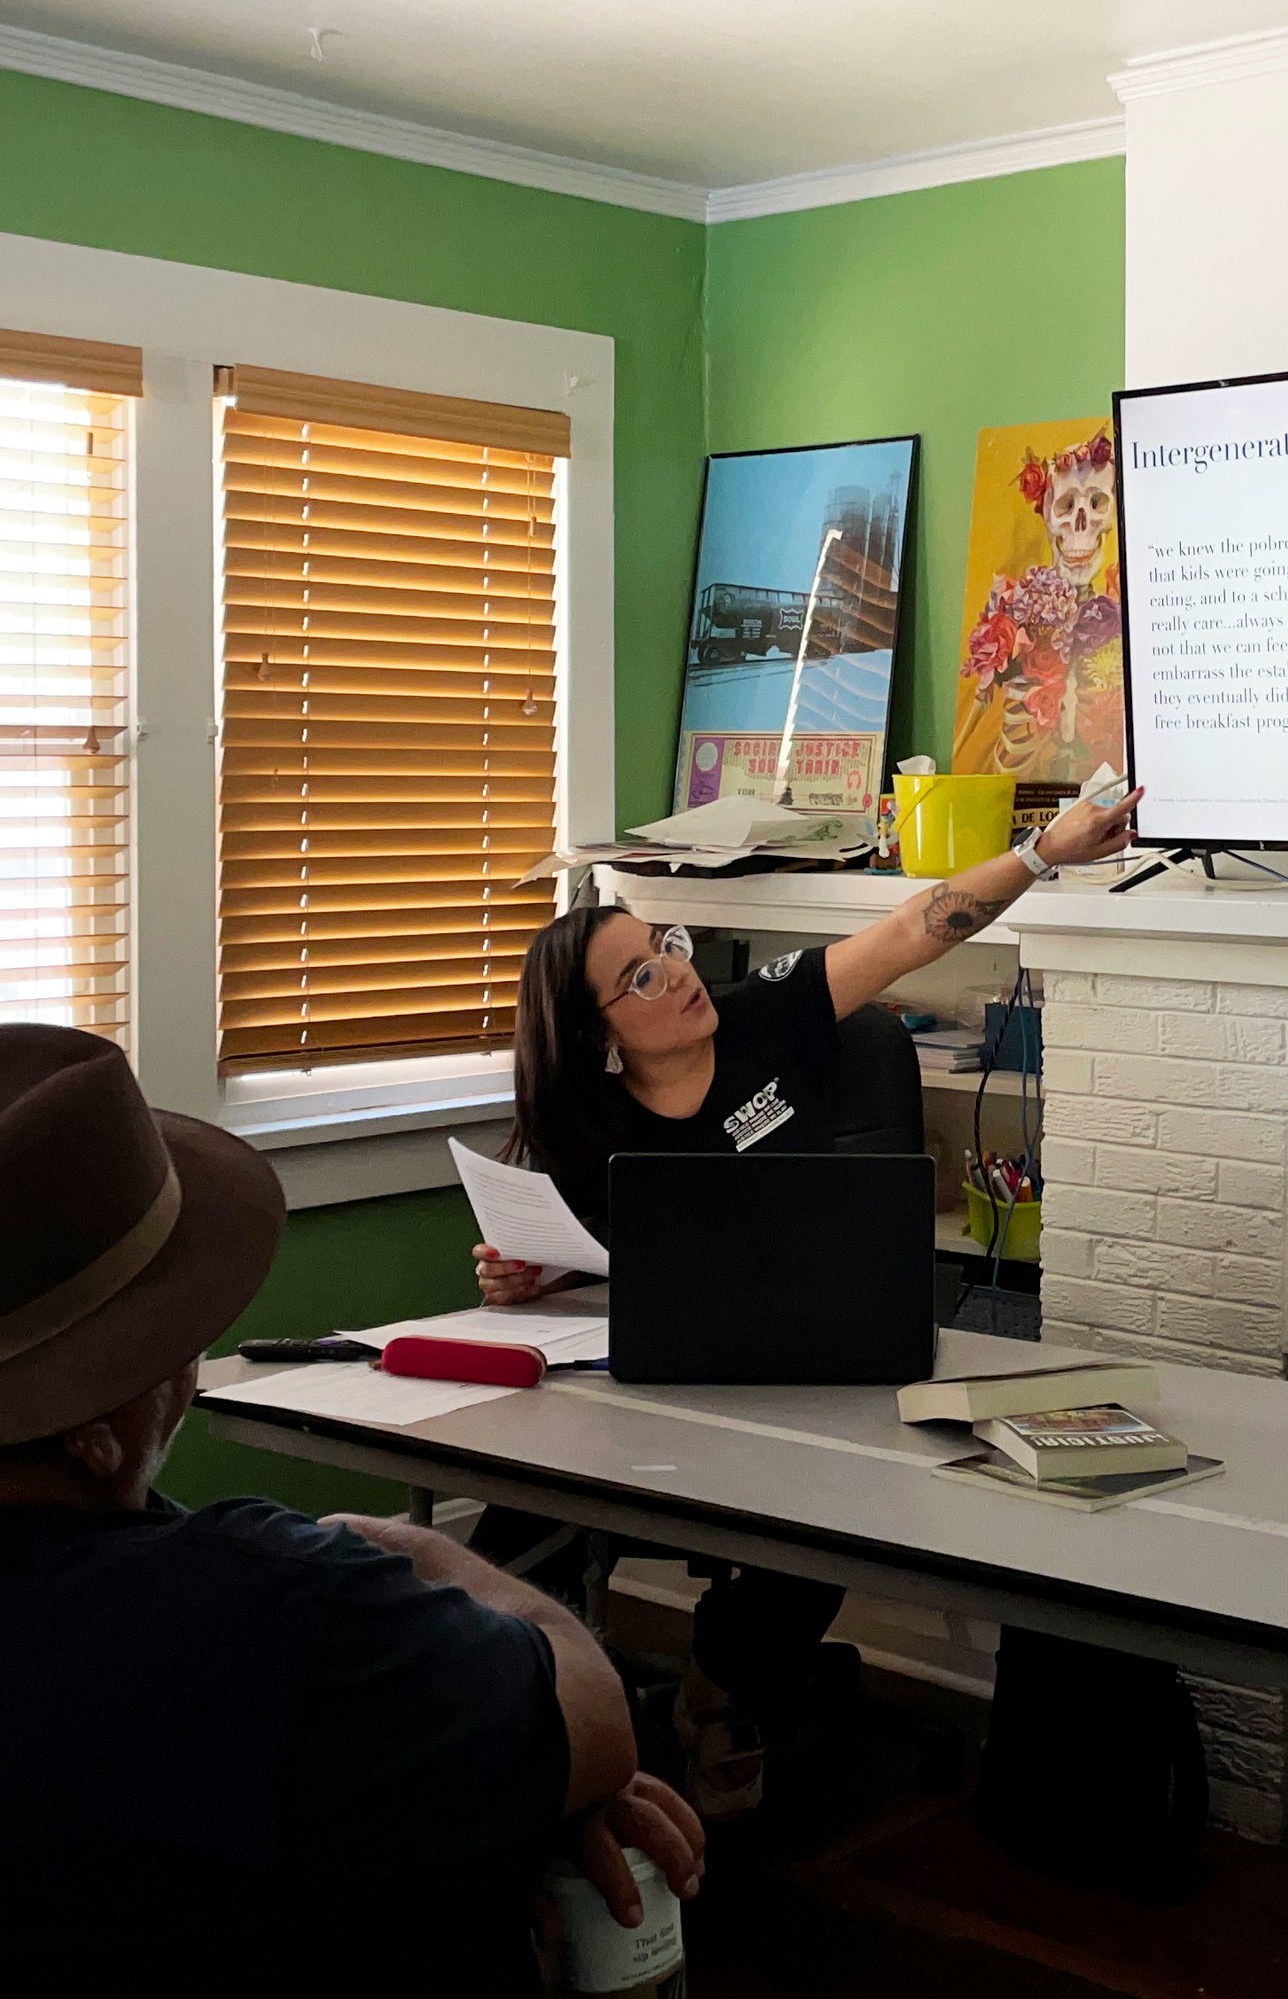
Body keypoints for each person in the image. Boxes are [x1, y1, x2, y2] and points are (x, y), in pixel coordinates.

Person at [471, 785, 1143, 1813]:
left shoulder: (767, 1016)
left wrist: (1043, 852)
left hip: (817, 1366)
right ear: (595, 1032)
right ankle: (520, 1715)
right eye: (640, 975)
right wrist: (532, 1272)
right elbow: (589, 1252)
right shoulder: (583, 1123)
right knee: (522, 1496)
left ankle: (722, 1683)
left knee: (838, 1502)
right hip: (660, 1386)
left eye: (667, 946)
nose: (678, 973)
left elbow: (910, 930)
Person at [0, 1024, 705, 1995]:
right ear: (95, 1428)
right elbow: (593, 1718)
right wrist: (391, 1545)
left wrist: (517, 1791)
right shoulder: (281, 1610)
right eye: (173, 1335)